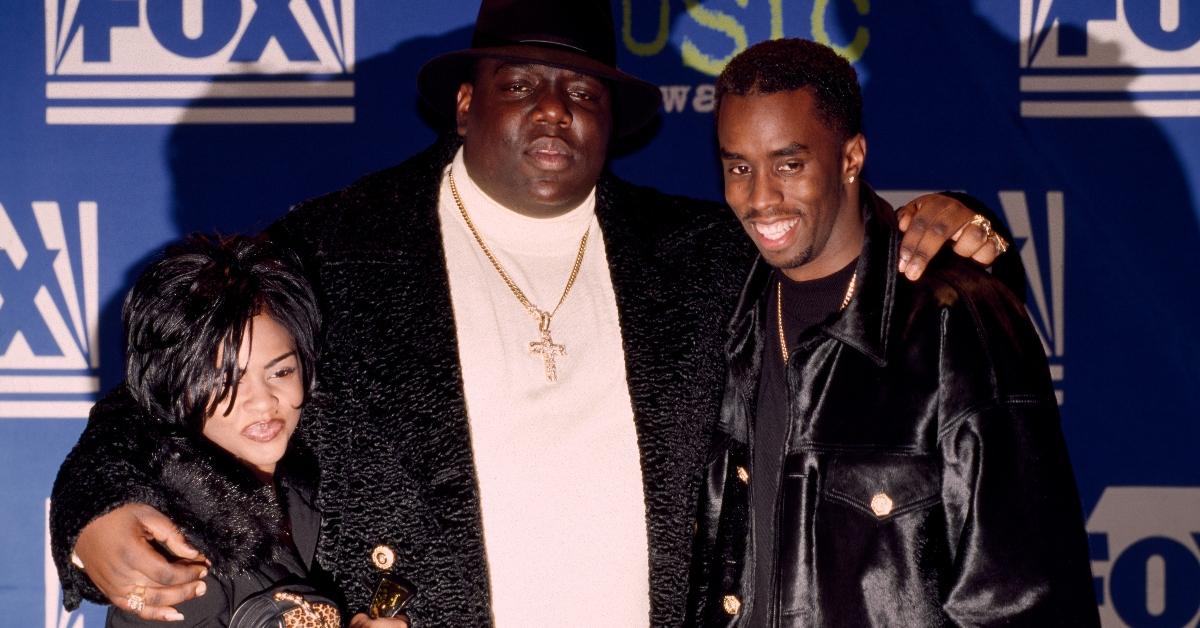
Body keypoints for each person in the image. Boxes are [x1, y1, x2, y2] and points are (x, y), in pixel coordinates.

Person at [50, 2, 1008, 626]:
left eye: (582, 90)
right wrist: (89, 519)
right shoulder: (336, 246)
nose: (555, 110)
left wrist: (938, 214)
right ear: (466, 103)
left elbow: (832, 237)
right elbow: (159, 399)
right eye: (521, 84)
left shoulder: (704, 253)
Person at [686, 38, 1098, 626]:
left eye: (789, 164)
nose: (760, 198)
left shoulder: (957, 322)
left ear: (851, 158)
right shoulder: (725, 312)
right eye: (739, 168)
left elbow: (1025, 600)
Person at [75, 235, 337, 626]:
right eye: (227, 383)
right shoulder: (182, 554)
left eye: (281, 371)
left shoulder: (308, 491)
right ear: (177, 390)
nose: (263, 402)